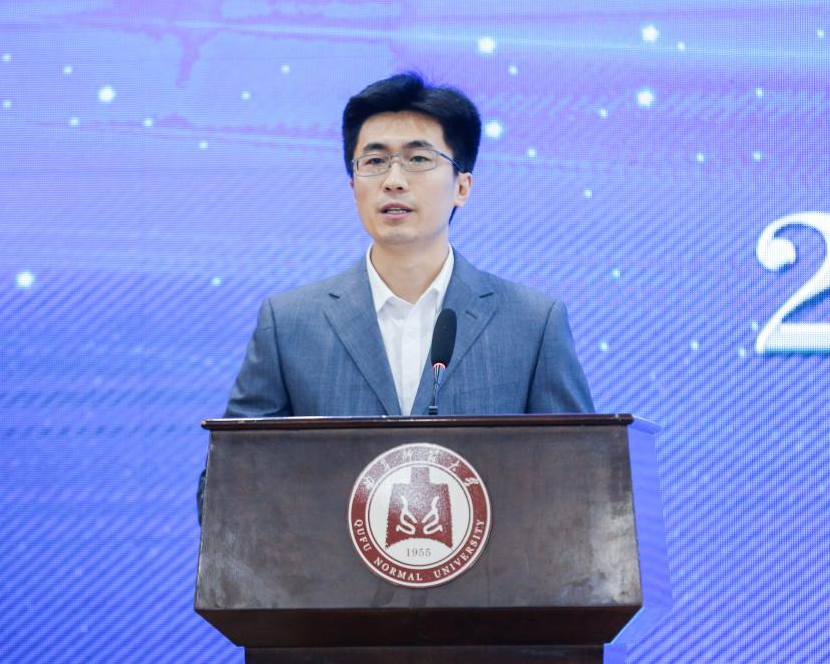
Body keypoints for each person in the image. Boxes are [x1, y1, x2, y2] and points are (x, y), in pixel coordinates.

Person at [198, 73, 593, 519]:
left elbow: (579, 482)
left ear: (462, 186)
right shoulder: (289, 324)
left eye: (418, 158)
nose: (394, 180)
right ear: (353, 186)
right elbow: (228, 488)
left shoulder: (531, 323)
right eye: (374, 161)